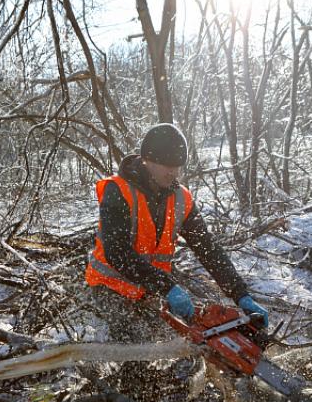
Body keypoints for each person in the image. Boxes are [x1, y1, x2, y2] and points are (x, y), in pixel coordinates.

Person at [85, 123, 268, 331]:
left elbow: (207, 249)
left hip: (150, 290)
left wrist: (240, 293)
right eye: (167, 165)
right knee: (140, 350)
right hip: (110, 287)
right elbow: (117, 252)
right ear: (147, 160)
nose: (173, 172)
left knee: (187, 342)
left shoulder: (181, 199)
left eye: (177, 165)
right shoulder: (118, 191)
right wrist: (167, 287)